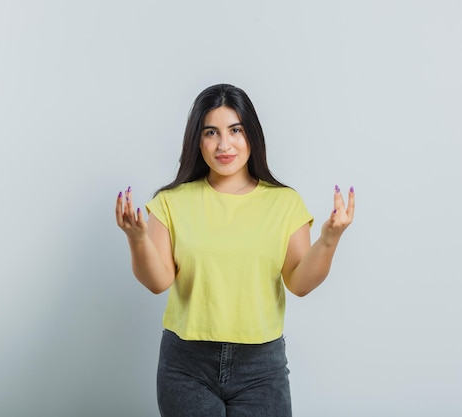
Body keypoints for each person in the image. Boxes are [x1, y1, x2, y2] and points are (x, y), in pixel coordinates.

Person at [114, 83, 355, 417]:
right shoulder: (170, 202)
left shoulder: (284, 202)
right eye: (211, 132)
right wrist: (137, 239)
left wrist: (329, 238)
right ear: (197, 140)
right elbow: (158, 281)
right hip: (186, 366)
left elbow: (299, 283)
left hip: (261, 369)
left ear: (251, 135)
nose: (224, 144)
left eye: (235, 130)